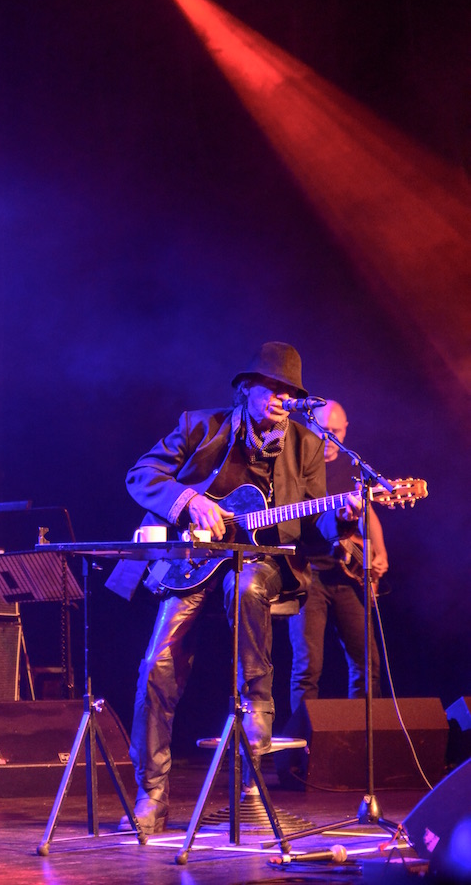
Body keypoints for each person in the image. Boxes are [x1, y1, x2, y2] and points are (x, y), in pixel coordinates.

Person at [121, 342, 361, 835]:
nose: (281, 398)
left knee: (248, 582)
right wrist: (188, 499)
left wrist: (342, 519)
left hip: (261, 563)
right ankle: (153, 794)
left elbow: (313, 520)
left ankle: (257, 704)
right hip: (192, 562)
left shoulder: (307, 444)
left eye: (291, 391)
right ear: (245, 389)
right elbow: (140, 475)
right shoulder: (199, 425)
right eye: (272, 387)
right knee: (155, 667)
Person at [288, 400, 389, 714]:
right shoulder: (295, 464)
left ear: (345, 431)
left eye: (336, 431)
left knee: (368, 663)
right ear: (308, 426)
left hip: (345, 576)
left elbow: (367, 511)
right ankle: (301, 756)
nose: (328, 437)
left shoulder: (352, 468)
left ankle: (360, 744)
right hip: (306, 574)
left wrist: (380, 551)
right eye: (322, 429)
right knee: (307, 668)